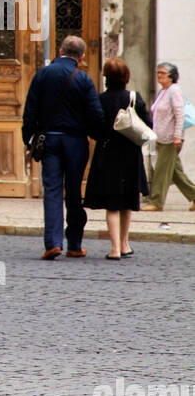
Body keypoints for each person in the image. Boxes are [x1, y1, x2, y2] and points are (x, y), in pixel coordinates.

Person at [22, 34, 105, 260]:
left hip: (49, 139)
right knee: (74, 192)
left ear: (59, 51)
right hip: (76, 142)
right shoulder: (84, 80)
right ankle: (75, 244)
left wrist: (27, 139)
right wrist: (98, 136)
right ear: (82, 56)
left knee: (52, 191)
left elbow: (30, 111)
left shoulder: (42, 75)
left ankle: (53, 243)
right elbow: (96, 114)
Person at [83, 58, 152, 257]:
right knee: (128, 201)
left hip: (108, 153)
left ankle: (114, 248)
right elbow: (148, 125)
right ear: (125, 77)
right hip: (130, 154)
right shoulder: (134, 97)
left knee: (112, 204)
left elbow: (94, 127)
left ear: (106, 77)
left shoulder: (100, 99)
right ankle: (124, 244)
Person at [141, 61, 195, 211]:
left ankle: (156, 202)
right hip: (161, 137)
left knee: (161, 170)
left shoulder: (174, 90)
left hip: (171, 138)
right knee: (175, 172)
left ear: (171, 76)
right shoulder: (163, 91)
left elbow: (179, 115)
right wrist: (154, 137)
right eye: (158, 72)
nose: (159, 75)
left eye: (162, 73)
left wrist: (177, 136)